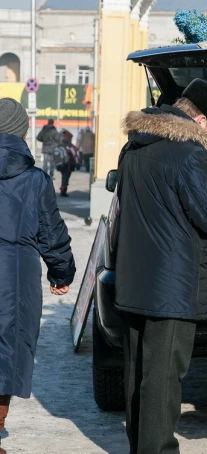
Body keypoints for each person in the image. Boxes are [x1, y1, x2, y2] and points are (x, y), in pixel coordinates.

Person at [115, 79, 207, 454]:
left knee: (138, 372)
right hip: (172, 282)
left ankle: (141, 447)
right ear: (200, 119)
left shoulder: (133, 146)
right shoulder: (188, 154)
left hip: (134, 277)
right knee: (164, 377)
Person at [0, 98, 76, 446]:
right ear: (22, 132)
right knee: (9, 349)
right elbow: (51, 230)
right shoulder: (34, 179)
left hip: (17, 267)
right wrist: (61, 272)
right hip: (16, 273)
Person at [55, 129, 79, 197]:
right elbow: (75, 155)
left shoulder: (59, 145)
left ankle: (63, 190)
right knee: (66, 177)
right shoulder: (70, 146)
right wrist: (77, 163)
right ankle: (63, 191)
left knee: (64, 177)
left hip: (61, 164)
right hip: (68, 164)